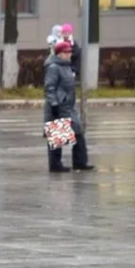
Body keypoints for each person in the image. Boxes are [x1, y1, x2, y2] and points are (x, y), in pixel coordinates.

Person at [44, 40, 93, 173]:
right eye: (66, 52)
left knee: (78, 135)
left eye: (69, 52)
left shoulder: (66, 66)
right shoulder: (54, 67)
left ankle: (80, 162)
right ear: (59, 54)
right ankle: (55, 165)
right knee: (57, 138)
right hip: (58, 107)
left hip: (69, 107)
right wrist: (54, 104)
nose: (69, 54)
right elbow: (49, 88)